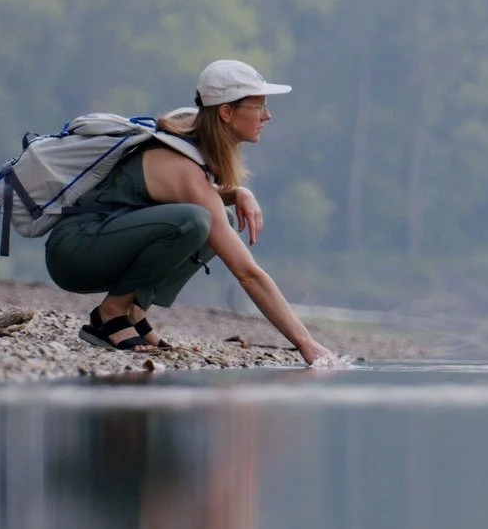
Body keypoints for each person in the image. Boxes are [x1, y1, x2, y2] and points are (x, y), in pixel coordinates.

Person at [44, 59, 338, 367]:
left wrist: (238, 192)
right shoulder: (185, 168)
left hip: (98, 241)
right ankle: (110, 314)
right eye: (259, 106)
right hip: (75, 251)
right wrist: (306, 343)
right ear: (226, 112)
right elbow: (247, 272)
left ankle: (134, 311)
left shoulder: (192, 125)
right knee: (197, 221)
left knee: (214, 219)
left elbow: (190, 192)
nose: (268, 115)